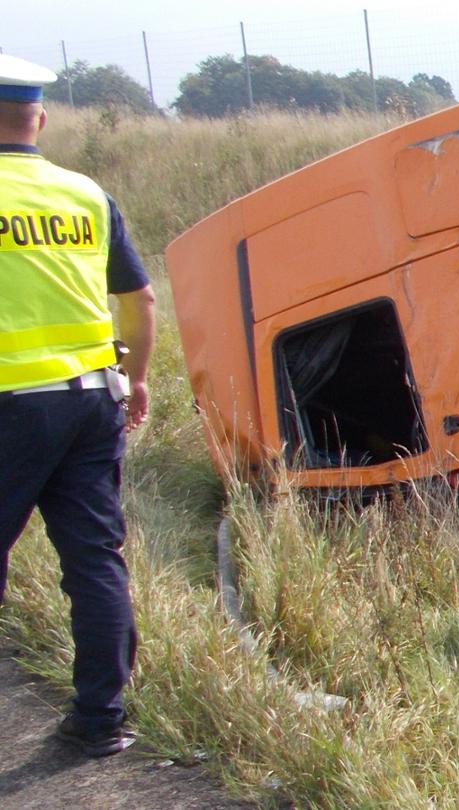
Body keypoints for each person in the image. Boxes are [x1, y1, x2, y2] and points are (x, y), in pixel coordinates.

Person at [0, 54, 155, 758]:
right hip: (93, 402)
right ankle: (101, 720)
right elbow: (139, 299)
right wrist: (138, 379)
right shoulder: (85, 194)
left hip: (10, 407)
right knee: (94, 560)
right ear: (40, 117)